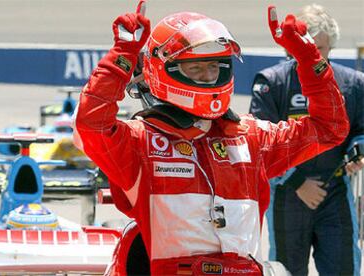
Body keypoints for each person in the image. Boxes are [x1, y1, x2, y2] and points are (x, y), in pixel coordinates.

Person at [73, 1, 349, 275]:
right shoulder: (141, 141)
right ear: (163, 71)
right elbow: (90, 127)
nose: (208, 76)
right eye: (195, 69)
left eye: (215, 67)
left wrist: (309, 59)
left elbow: (330, 127)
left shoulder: (251, 138)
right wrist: (122, 55)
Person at [249, 4, 364, 276]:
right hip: (289, 194)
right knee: (286, 271)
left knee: (344, 269)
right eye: (304, 47)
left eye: (319, 49)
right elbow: (259, 143)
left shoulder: (353, 83)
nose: (311, 55)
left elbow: (361, 129)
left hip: (335, 189)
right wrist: (298, 182)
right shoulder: (271, 81)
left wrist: (358, 150)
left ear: (330, 48)